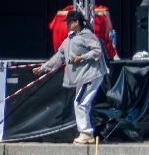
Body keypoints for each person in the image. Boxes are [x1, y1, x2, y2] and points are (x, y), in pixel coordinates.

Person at [34, 9, 106, 145]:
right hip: (81, 77)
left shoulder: (87, 35)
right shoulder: (70, 38)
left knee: (80, 103)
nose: (67, 24)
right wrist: (43, 67)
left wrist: (81, 57)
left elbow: (97, 51)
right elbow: (59, 55)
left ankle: (86, 133)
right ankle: (86, 134)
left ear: (76, 22)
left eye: (69, 22)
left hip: (90, 75)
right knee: (81, 103)